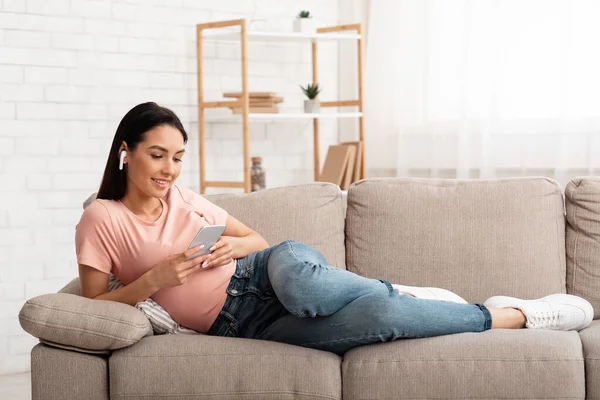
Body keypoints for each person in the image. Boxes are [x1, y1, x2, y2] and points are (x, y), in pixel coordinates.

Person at [76, 102, 594, 356]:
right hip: (245, 325)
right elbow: (91, 304)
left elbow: (257, 240)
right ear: (126, 152)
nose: (168, 170)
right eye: (157, 155)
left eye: (178, 158)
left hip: (266, 271)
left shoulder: (186, 198)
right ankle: (518, 313)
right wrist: (153, 282)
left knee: (304, 287)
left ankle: (402, 290)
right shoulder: (101, 218)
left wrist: (234, 243)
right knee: (383, 317)